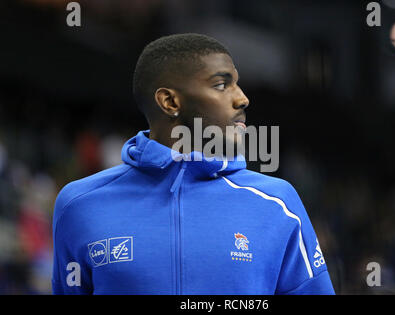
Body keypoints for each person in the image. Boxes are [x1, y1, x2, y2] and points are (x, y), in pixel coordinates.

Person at [52, 33, 335, 295]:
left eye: (237, 84)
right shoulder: (80, 205)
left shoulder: (278, 204)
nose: (242, 98)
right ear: (170, 101)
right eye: (222, 85)